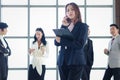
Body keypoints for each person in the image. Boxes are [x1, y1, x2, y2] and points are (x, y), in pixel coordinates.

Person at [54, 2, 88, 80]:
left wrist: (62, 41)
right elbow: (56, 42)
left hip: (75, 61)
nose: (70, 12)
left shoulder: (83, 26)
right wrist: (63, 25)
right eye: (68, 10)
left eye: (72, 9)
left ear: (77, 11)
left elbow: (80, 44)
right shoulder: (65, 26)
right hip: (62, 61)